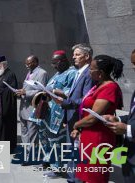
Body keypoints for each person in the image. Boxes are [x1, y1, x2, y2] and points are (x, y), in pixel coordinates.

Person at [71, 55, 124, 183]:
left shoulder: (110, 88)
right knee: (86, 176)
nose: (89, 71)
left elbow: (93, 118)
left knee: (95, 177)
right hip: (89, 136)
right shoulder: (98, 85)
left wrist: (76, 125)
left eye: (91, 69)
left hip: (99, 139)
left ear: (100, 73)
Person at [53, 44, 94, 182]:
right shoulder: (78, 72)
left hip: (79, 120)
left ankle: (76, 179)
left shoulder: (89, 73)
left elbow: (85, 100)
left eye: (77, 54)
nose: (74, 57)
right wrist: (65, 117)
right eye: (74, 54)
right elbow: (72, 95)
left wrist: (63, 102)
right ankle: (72, 178)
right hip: (70, 118)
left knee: (77, 152)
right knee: (71, 151)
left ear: (87, 56)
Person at [37, 50, 76, 178]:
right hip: (50, 113)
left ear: (63, 60)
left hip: (60, 114)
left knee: (57, 142)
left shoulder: (72, 73)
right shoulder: (57, 73)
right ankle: (50, 162)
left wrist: (53, 90)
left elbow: (69, 93)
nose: (53, 65)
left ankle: (57, 168)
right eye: (52, 62)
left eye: (55, 62)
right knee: (50, 140)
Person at [104, 50, 135, 183]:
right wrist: (119, 119)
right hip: (130, 152)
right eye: (133, 63)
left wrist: (127, 129)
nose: (133, 67)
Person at [15, 55, 48, 164]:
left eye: (29, 63)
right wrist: (21, 91)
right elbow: (28, 87)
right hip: (24, 108)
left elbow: (42, 91)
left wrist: (26, 93)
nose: (27, 65)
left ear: (35, 62)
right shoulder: (29, 72)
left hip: (32, 108)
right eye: (26, 63)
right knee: (24, 133)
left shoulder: (42, 73)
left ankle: (32, 156)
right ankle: (26, 154)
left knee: (32, 134)